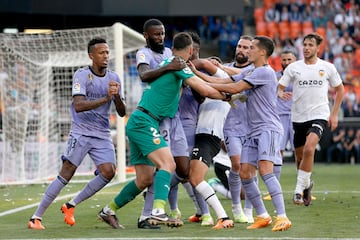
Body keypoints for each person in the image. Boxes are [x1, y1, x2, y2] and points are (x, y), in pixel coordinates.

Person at [98, 32, 227, 229]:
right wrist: (229, 95)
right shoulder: (178, 64)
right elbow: (205, 89)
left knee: (144, 179)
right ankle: (158, 211)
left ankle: (108, 210)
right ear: (191, 51)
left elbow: (204, 86)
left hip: (139, 120)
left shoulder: (169, 62)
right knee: (168, 164)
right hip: (145, 121)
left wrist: (226, 90)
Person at [192, 36, 292, 232]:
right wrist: (196, 74)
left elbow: (234, 88)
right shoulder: (251, 70)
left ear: (262, 52)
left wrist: (203, 84)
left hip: (268, 128)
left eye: (252, 48)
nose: (248, 51)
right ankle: (263, 215)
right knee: (245, 173)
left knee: (265, 171)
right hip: (252, 130)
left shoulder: (264, 72)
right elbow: (225, 80)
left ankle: (282, 216)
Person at [27, 37, 126, 230]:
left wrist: (115, 98)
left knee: (109, 172)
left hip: (102, 133)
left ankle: (70, 205)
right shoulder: (81, 75)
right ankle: (35, 218)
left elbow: (122, 112)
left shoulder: (114, 77)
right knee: (67, 173)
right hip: (80, 132)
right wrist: (105, 98)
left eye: (107, 52)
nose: (106, 56)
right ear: (91, 56)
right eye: (101, 53)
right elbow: (79, 106)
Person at [278, 33, 345, 206]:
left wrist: (334, 113)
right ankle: (307, 184)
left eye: (310, 45)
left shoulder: (327, 67)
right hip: (299, 117)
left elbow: (340, 89)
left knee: (309, 149)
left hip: (320, 115)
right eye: (305, 45)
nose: (307, 48)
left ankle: (298, 191)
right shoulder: (294, 67)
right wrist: (280, 93)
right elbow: (280, 86)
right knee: (300, 158)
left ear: (317, 48)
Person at [263, 50, 297, 201]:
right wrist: (278, 92)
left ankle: (301, 189)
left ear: (295, 60)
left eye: (290, 59)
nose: (287, 62)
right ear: (280, 61)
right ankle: (273, 191)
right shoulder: (275, 76)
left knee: (301, 154)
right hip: (279, 117)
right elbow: (267, 92)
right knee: (277, 152)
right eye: (284, 59)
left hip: (297, 117)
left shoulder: (300, 77)